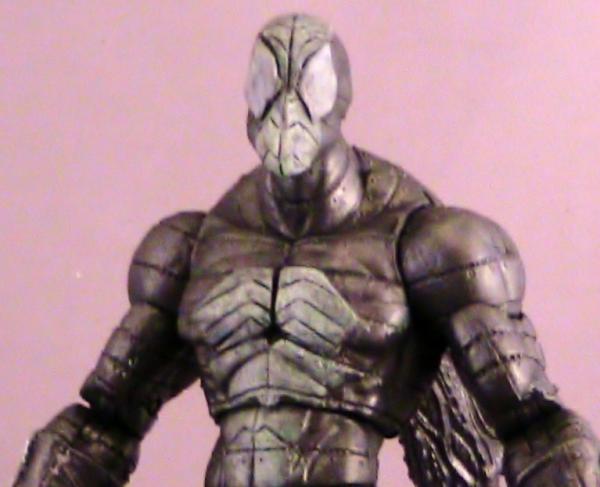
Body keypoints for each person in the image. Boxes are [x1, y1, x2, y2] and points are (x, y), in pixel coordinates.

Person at [14, 13, 599, 487]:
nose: (286, 111)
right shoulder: (192, 248)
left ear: (337, 103)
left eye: (305, 90)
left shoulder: (430, 246)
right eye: (269, 91)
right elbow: (98, 429)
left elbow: (537, 428)